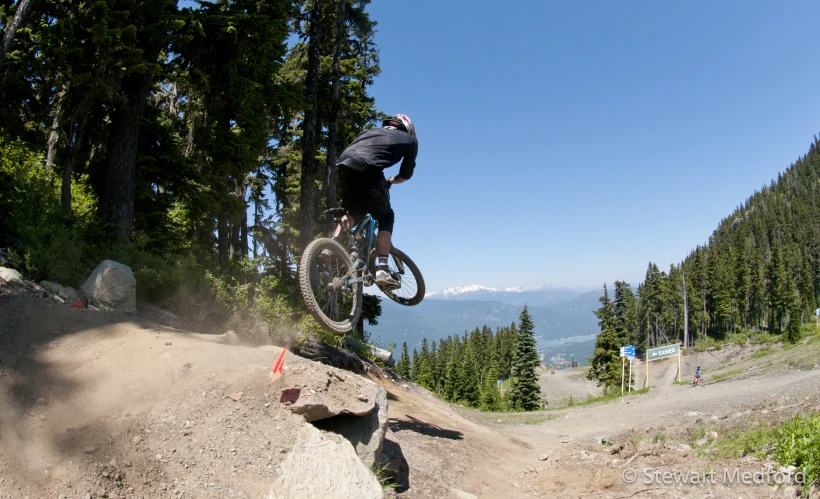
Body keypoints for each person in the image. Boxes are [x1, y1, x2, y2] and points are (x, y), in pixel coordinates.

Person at [332, 114, 418, 289]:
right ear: (408, 128)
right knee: (386, 216)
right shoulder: (409, 140)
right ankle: (383, 268)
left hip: (343, 165)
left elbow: (354, 152)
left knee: (354, 211)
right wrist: (390, 181)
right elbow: (405, 175)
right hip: (368, 168)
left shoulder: (368, 132)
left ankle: (332, 244)